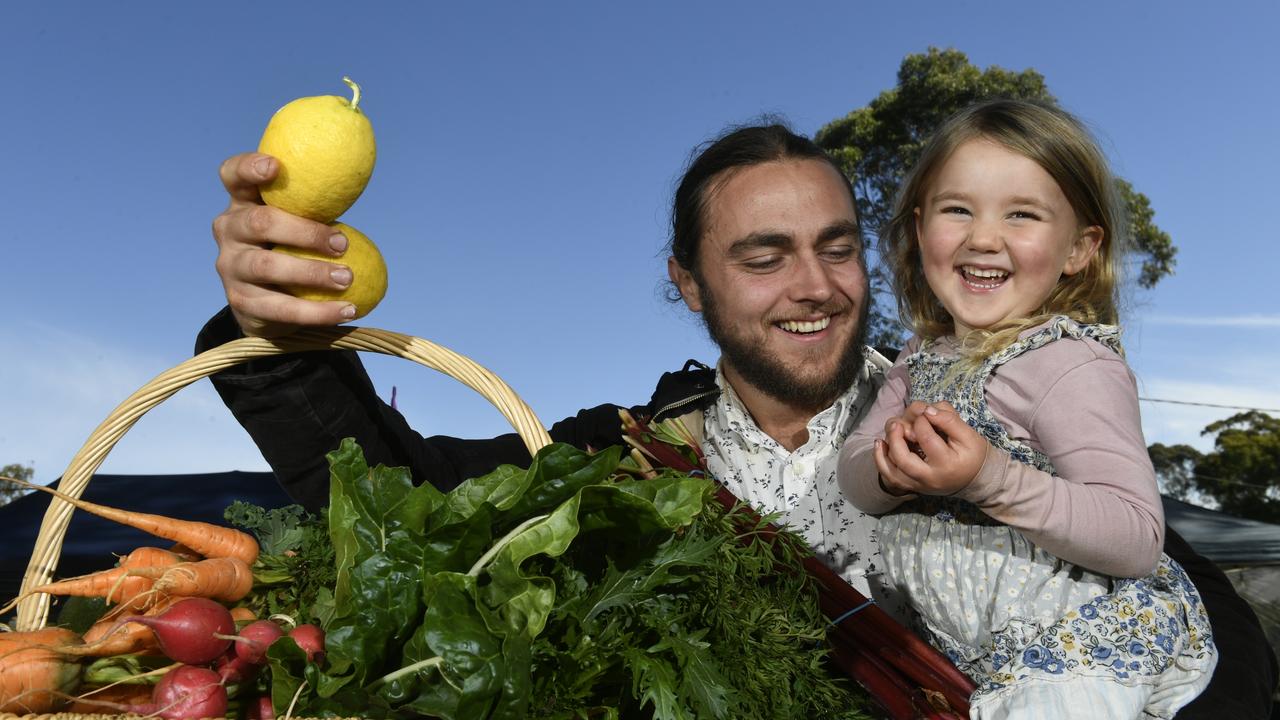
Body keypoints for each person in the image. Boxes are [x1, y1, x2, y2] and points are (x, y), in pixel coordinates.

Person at [202, 119, 1276, 717]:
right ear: (689, 284)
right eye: (761, 256)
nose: (811, 286)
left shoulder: (982, 399)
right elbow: (397, 490)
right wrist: (272, 333)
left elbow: (1170, 589)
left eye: (834, 246)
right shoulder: (615, 459)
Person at [835, 99, 1219, 718]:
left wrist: (990, 478)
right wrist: (886, 470)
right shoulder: (915, 361)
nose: (983, 237)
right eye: (957, 209)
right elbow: (855, 473)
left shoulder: (1070, 365)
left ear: (1079, 249)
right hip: (975, 658)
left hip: (1079, 648)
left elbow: (1137, 537)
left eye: (1022, 214)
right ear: (917, 230)